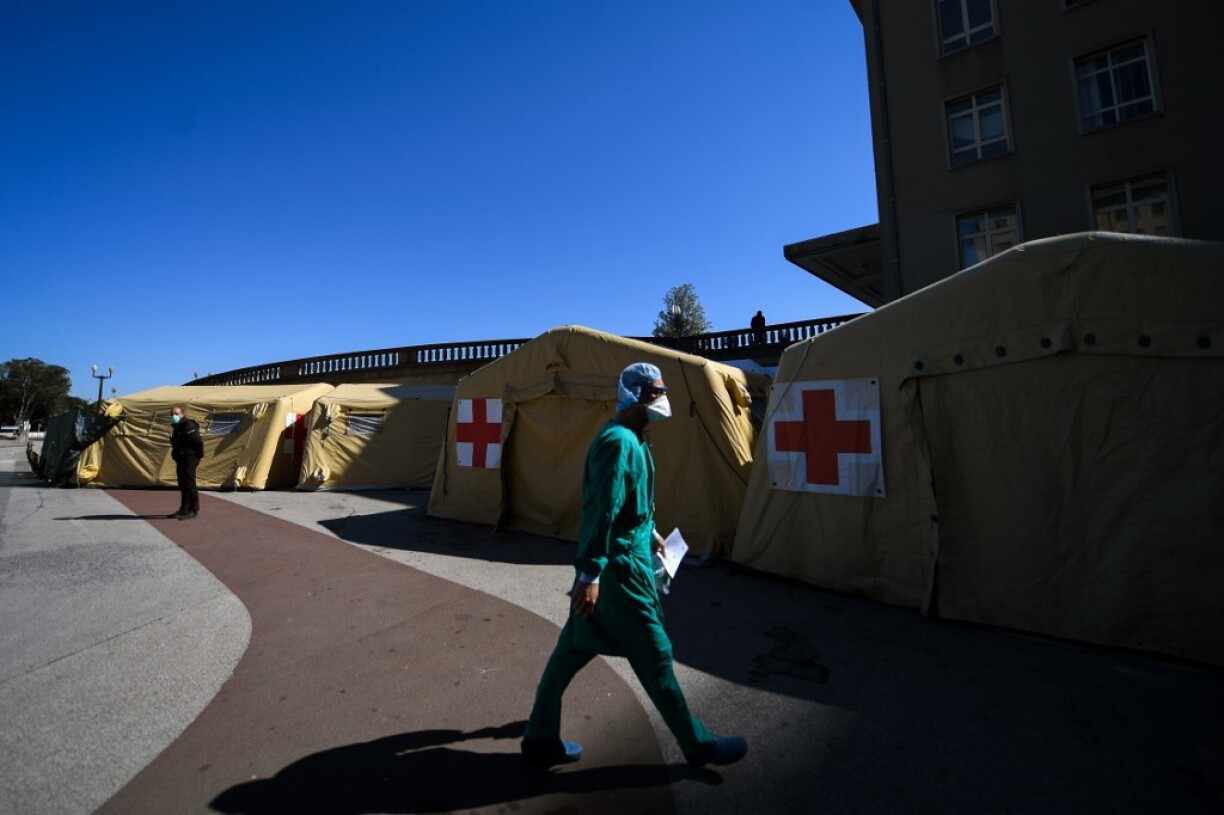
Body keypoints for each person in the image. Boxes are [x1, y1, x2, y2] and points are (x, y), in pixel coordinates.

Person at [521, 362, 747, 769]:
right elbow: (600, 512)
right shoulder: (619, 443)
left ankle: (539, 738)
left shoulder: (634, 439)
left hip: (621, 560)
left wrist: (653, 532)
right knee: (656, 654)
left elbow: (630, 506)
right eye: (657, 391)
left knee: (571, 650)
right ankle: (697, 745)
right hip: (619, 573)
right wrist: (590, 573)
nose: (663, 398)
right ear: (638, 396)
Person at [168, 405, 204, 520]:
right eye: (172, 414)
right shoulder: (177, 427)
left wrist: (199, 455)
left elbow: (198, 442)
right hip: (181, 457)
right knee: (182, 484)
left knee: (189, 483)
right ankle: (184, 509)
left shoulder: (188, 425)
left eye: (176, 414)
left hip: (190, 457)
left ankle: (193, 510)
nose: (174, 416)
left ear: (182, 414)